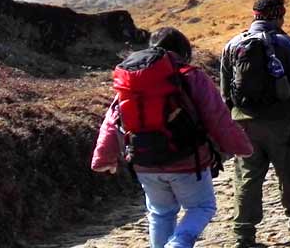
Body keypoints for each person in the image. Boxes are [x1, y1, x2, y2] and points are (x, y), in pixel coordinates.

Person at [92, 27, 253, 248]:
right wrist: (242, 146)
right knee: (201, 207)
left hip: (144, 162)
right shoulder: (190, 76)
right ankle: (177, 244)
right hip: (187, 160)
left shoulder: (132, 81)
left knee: (160, 213)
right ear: (183, 49)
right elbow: (217, 117)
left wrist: (104, 158)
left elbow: (111, 121)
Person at [219, 0, 290, 247]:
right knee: (288, 171)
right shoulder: (287, 44)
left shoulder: (233, 44)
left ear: (255, 15)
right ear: (279, 15)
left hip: (244, 123)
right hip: (282, 122)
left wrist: (235, 117)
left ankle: (244, 232)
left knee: (247, 175)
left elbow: (225, 91)